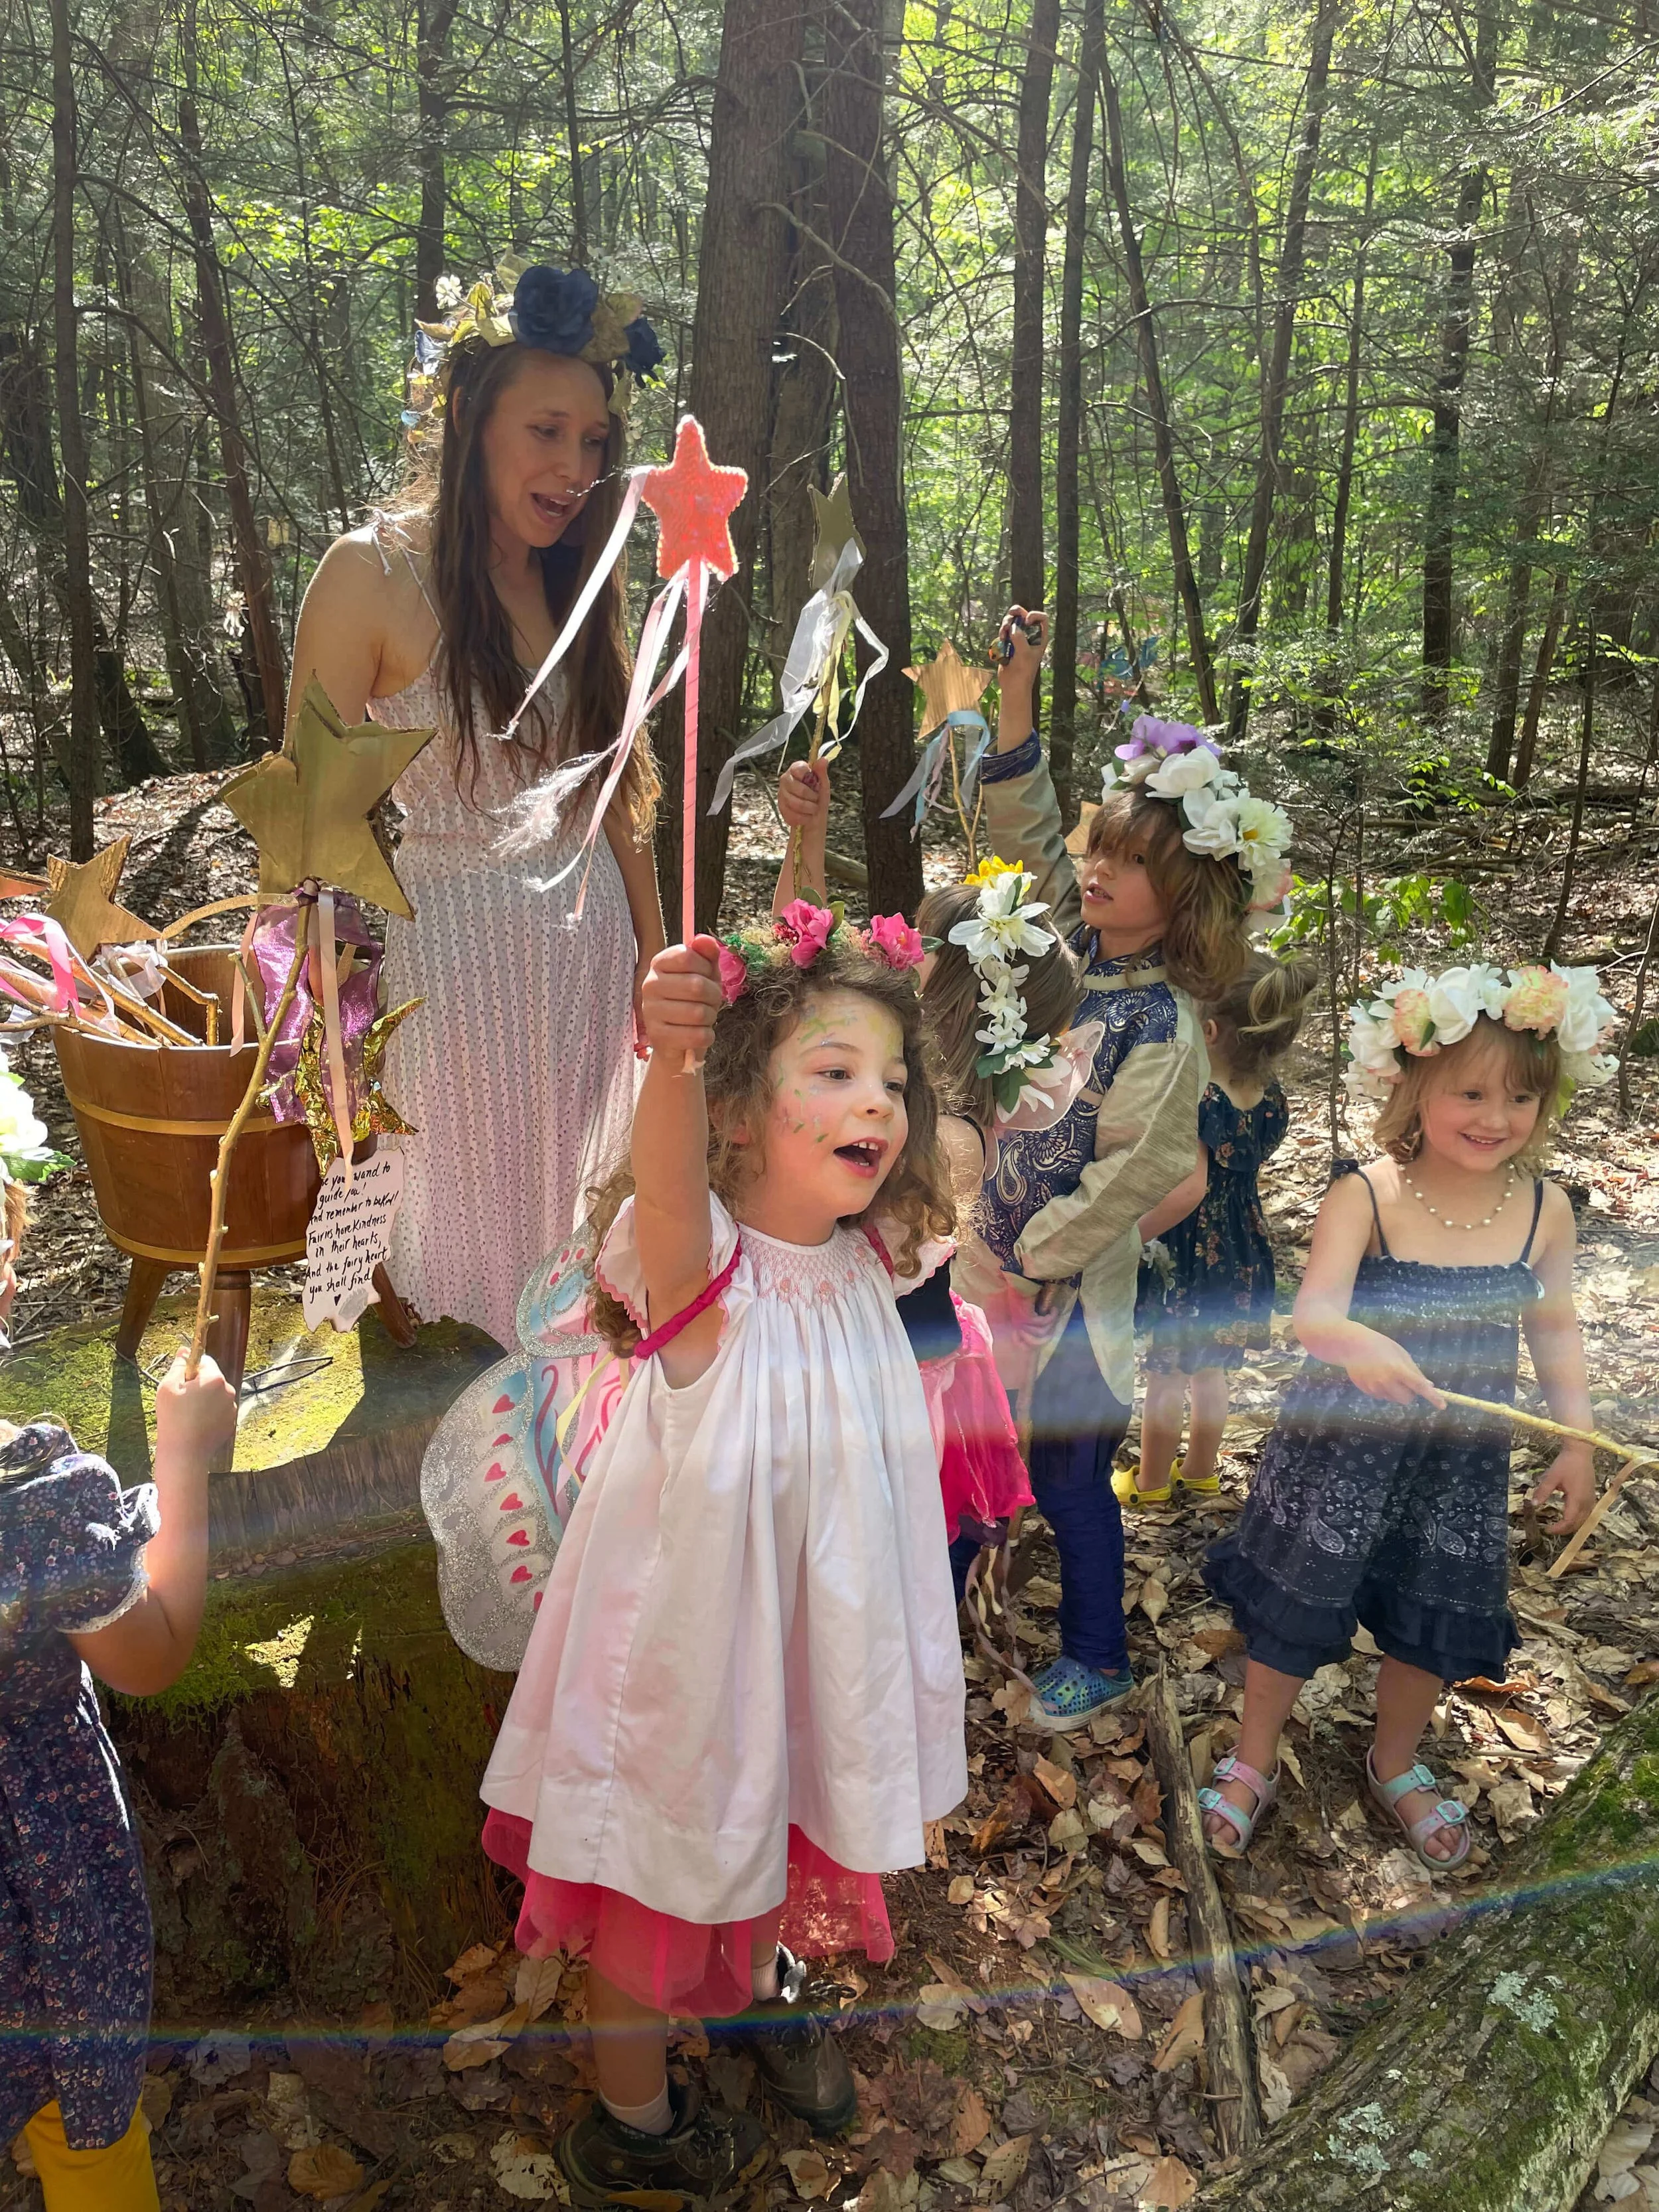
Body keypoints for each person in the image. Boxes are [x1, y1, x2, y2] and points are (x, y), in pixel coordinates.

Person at [478, 915, 966, 2204]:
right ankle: (633, 2124)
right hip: (691, 1663)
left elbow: (932, 1124)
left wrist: (804, 924)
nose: (878, 1102)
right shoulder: (706, 1279)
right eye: (833, 1073)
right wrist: (674, 1054)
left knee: (781, 1809)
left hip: (809, 1636)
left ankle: (755, 1993)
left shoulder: (873, 1258)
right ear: (741, 1114)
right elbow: (668, 1171)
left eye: (891, 1081)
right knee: (656, 1879)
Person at [287, 261, 668, 1347]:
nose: (575, 467)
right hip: (459, 994)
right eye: (548, 431)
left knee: (596, 1288)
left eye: (594, 443)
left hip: (594, 987)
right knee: (481, 1306)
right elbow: (312, 826)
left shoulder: (577, 576)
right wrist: (331, 1036)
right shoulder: (374, 574)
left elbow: (618, 794)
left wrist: (657, 958)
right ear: (468, 416)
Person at [1200, 962, 1615, 1867]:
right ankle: (1253, 1753)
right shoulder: (1370, 1193)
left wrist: (1576, 1445)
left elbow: (1554, 1329)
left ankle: (1394, 1759)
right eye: (1470, 1091)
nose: (1496, 1117)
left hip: (1454, 1457)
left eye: (1521, 1098)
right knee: (1295, 1612)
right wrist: (1358, 1343)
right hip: (1341, 1446)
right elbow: (1314, 1313)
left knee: (1430, 1615)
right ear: (1413, 1084)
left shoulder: (1543, 1212)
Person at [969, 609, 1293, 1727]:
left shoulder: (1168, 1019)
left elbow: (1137, 1169)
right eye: (1099, 852)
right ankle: (953, 1607)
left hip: (1074, 1300)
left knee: (1069, 1478)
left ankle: (1098, 1652)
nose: (1099, 871)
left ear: (1187, 886)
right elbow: (1028, 830)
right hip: (988, 1263)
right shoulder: (1067, 954)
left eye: (1131, 860)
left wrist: (1040, 1255)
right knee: (968, 1441)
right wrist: (1016, 699)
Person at [774, 760, 1088, 1604]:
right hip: (875, 1369)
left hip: (890, 1372)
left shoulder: (940, 1127)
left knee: (894, 1570)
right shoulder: (924, 1113)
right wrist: (803, 838)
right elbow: (801, 983)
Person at [3, 1356, 238, 2211]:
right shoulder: (32, 1509)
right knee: (80, 2120)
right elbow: (156, 1650)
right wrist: (182, 1456)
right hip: (41, 1902)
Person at [1123, 950, 1318, 1505]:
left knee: (1165, 1373)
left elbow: (1190, 1187)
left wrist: (1132, 1234)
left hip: (1188, 1247)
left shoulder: (1200, 1097)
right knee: (1211, 1370)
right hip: (1242, 1244)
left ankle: (1151, 1482)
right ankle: (1202, 1470)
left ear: (1208, 1030)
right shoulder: (1271, 1099)